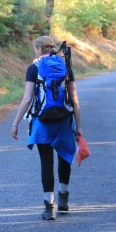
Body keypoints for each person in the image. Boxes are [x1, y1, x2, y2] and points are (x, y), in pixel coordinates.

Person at [11, 36, 82, 221]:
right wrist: (79, 126)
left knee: (46, 162)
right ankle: (64, 200)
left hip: (41, 121)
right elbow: (74, 99)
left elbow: (27, 98)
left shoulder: (34, 68)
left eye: (35, 49)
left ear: (39, 49)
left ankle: (49, 207)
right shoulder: (65, 66)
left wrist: (15, 122)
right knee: (65, 158)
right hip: (64, 120)